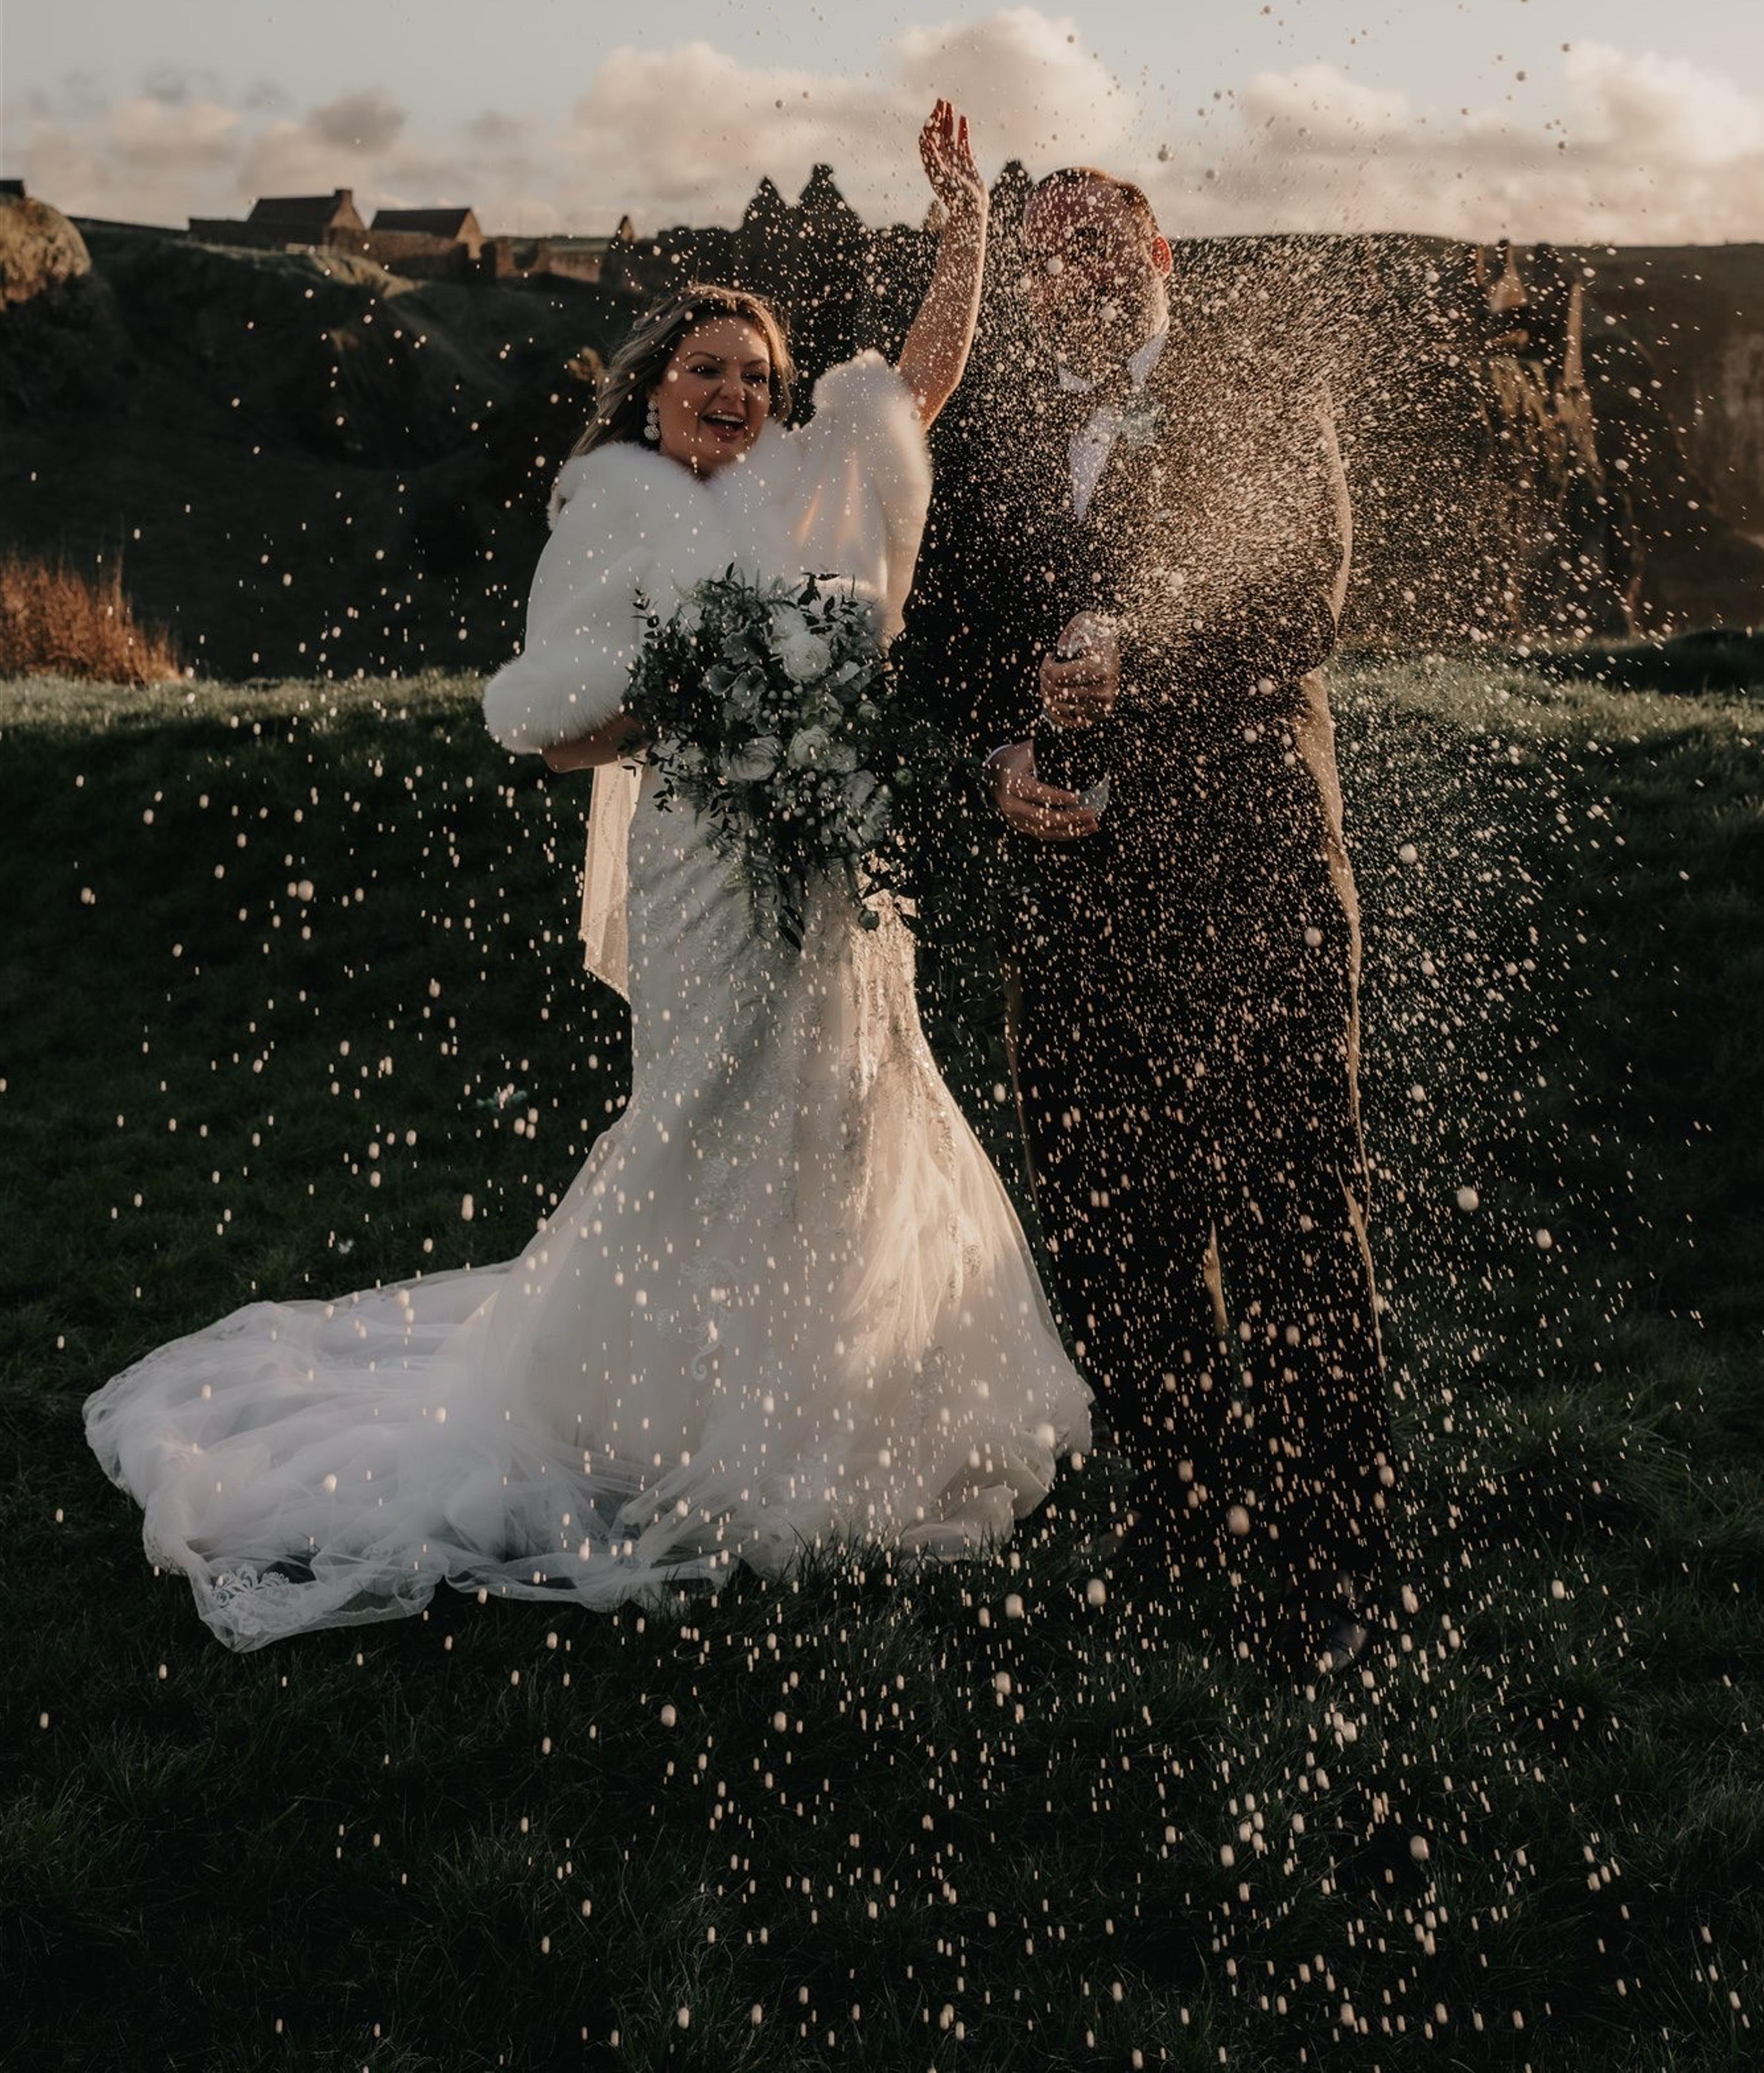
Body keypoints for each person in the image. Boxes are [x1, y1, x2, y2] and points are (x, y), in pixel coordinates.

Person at [84, 104, 1090, 1649]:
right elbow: (551, 723)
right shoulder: (612, 508)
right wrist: (698, 696)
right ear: (654, 388)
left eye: (756, 377)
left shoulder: (808, 487)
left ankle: (838, 1404)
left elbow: (917, 391)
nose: (735, 395)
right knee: (706, 1111)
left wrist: (961, 225)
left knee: (847, 1112)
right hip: (699, 862)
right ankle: (667, 1420)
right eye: (707, 372)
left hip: (830, 868)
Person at [905, 164, 1394, 1675]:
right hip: (1072, 895)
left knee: (1292, 1207)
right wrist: (991, 763)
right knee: (1113, 1220)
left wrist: (1139, 650)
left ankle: (1332, 1558)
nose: (1080, 270)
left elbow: (1304, 592)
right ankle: (1182, 1523)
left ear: (1160, 246)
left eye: (1106, 240)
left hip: (1254, 874)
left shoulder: (1256, 380)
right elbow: (938, 655)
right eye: (1051, 254)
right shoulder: (987, 440)